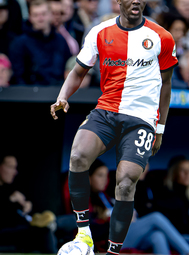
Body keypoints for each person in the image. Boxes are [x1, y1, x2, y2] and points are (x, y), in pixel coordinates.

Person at [50, 0, 178, 253]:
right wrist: (63, 96)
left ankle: (113, 251)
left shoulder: (162, 37)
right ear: (118, 1)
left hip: (141, 120)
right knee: (77, 157)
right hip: (106, 112)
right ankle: (83, 234)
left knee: (126, 182)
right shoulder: (100, 32)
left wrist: (160, 128)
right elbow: (78, 72)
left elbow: (167, 85)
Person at [86, 159, 189, 254]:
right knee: (155, 217)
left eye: (106, 176)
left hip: (125, 234)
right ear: (89, 178)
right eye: (100, 175)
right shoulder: (85, 198)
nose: (105, 179)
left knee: (157, 236)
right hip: (108, 240)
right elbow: (91, 228)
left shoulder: (104, 196)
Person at [0, 153, 57, 253]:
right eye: (10, 167)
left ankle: (46, 222)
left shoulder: (10, 188)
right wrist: (10, 200)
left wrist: (26, 207)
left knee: (66, 222)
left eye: (15, 168)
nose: (15, 172)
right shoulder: (8, 195)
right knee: (44, 232)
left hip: (21, 225)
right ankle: (47, 223)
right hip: (8, 229)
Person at [9, 0, 71, 86]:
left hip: (59, 93)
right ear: (30, 17)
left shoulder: (61, 41)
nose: (40, 18)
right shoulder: (19, 44)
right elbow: (18, 77)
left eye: (43, 14)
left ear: (50, 15)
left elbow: (69, 68)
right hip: (30, 94)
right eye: (35, 15)